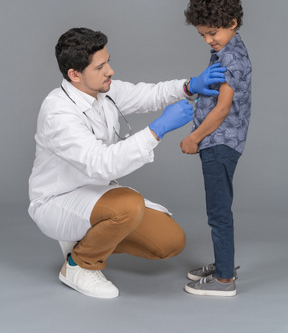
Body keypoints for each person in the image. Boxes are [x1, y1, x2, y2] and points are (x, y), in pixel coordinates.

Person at [28, 27, 226, 299]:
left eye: (108, 61)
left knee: (170, 242)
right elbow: (101, 164)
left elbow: (148, 95)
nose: (110, 70)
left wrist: (188, 85)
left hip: (95, 194)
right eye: (100, 66)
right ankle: (79, 265)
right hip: (58, 199)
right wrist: (157, 129)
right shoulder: (58, 112)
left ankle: (83, 239)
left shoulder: (102, 90)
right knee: (127, 205)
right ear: (75, 74)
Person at [180, 0, 252, 297]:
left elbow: (223, 109)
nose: (209, 40)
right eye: (203, 35)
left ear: (232, 23)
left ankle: (225, 280)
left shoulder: (232, 58)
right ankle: (223, 263)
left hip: (218, 144)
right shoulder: (225, 52)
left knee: (218, 213)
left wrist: (193, 137)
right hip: (218, 142)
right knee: (218, 210)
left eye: (212, 33)